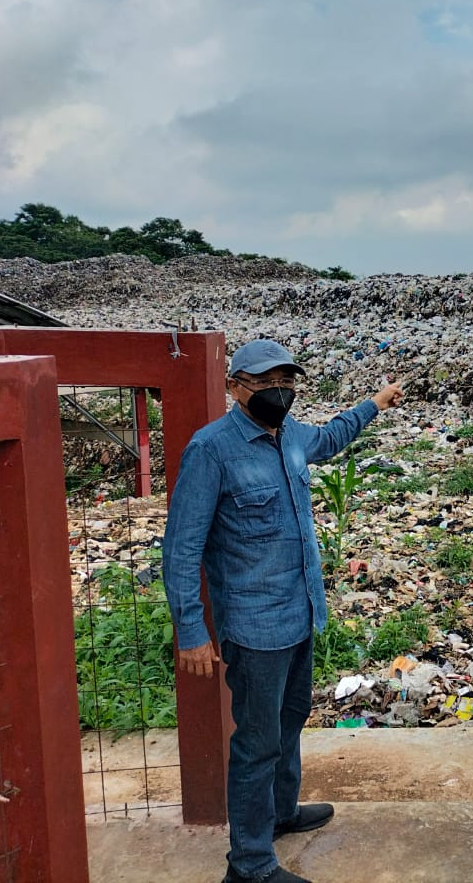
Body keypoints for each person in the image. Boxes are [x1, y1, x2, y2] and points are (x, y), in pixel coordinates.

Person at [165, 339, 403, 883]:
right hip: (254, 627)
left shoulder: (292, 434)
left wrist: (374, 403)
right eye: (265, 382)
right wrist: (191, 631)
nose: (279, 391)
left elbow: (331, 437)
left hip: (301, 613)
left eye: (286, 381)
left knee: (290, 721)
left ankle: (280, 813)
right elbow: (181, 548)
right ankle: (249, 864)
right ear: (235, 387)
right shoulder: (211, 450)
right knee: (257, 743)